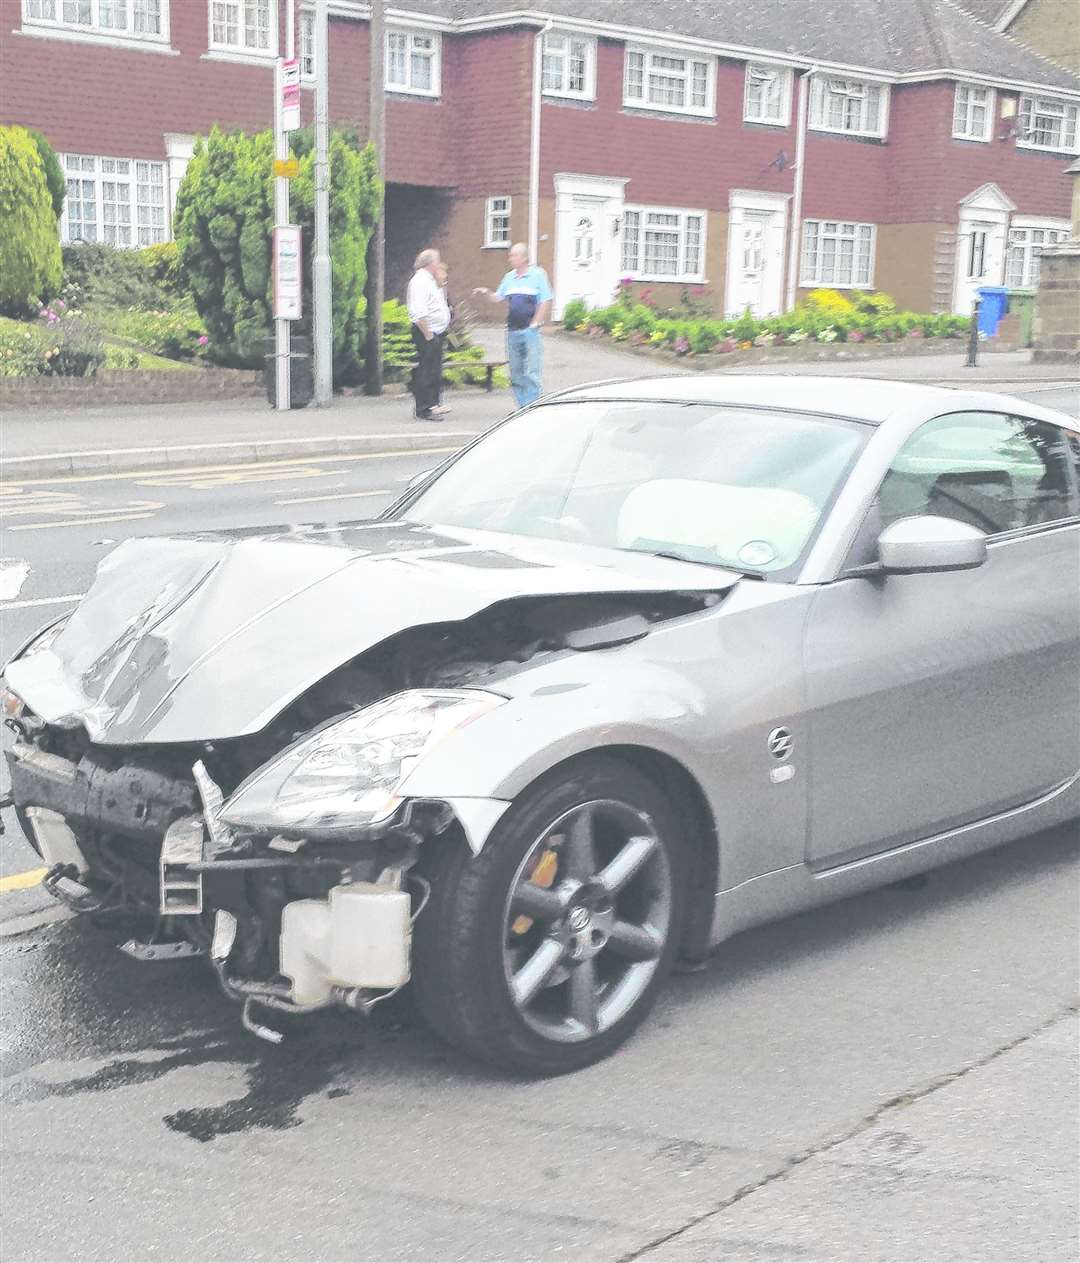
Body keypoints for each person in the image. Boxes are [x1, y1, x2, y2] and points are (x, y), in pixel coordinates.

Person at [474, 243, 552, 408]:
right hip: (512, 330)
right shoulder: (509, 277)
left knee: (531, 372)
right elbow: (498, 297)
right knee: (516, 372)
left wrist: (535, 323)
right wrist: (486, 293)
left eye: (514, 256)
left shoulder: (537, 275)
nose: (510, 259)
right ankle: (522, 406)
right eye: (510, 256)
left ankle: (532, 406)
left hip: (529, 330)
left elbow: (545, 300)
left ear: (523, 258)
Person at [406, 248, 451, 421]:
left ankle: (433, 404)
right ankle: (423, 408)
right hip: (427, 332)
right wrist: (428, 335)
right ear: (430, 263)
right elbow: (418, 312)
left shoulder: (430, 281)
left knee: (434, 370)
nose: (439, 264)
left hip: (436, 331)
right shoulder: (419, 281)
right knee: (426, 370)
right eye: (437, 261)